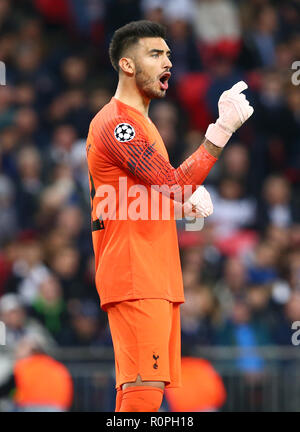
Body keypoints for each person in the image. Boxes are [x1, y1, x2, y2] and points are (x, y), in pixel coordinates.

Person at [86, 20, 253, 412]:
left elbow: (138, 197)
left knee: (140, 388)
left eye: (170, 55)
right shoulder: (118, 124)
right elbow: (175, 183)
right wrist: (222, 128)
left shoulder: (141, 123)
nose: (168, 63)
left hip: (150, 270)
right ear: (127, 65)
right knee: (145, 388)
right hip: (135, 270)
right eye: (156, 54)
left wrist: (180, 207)